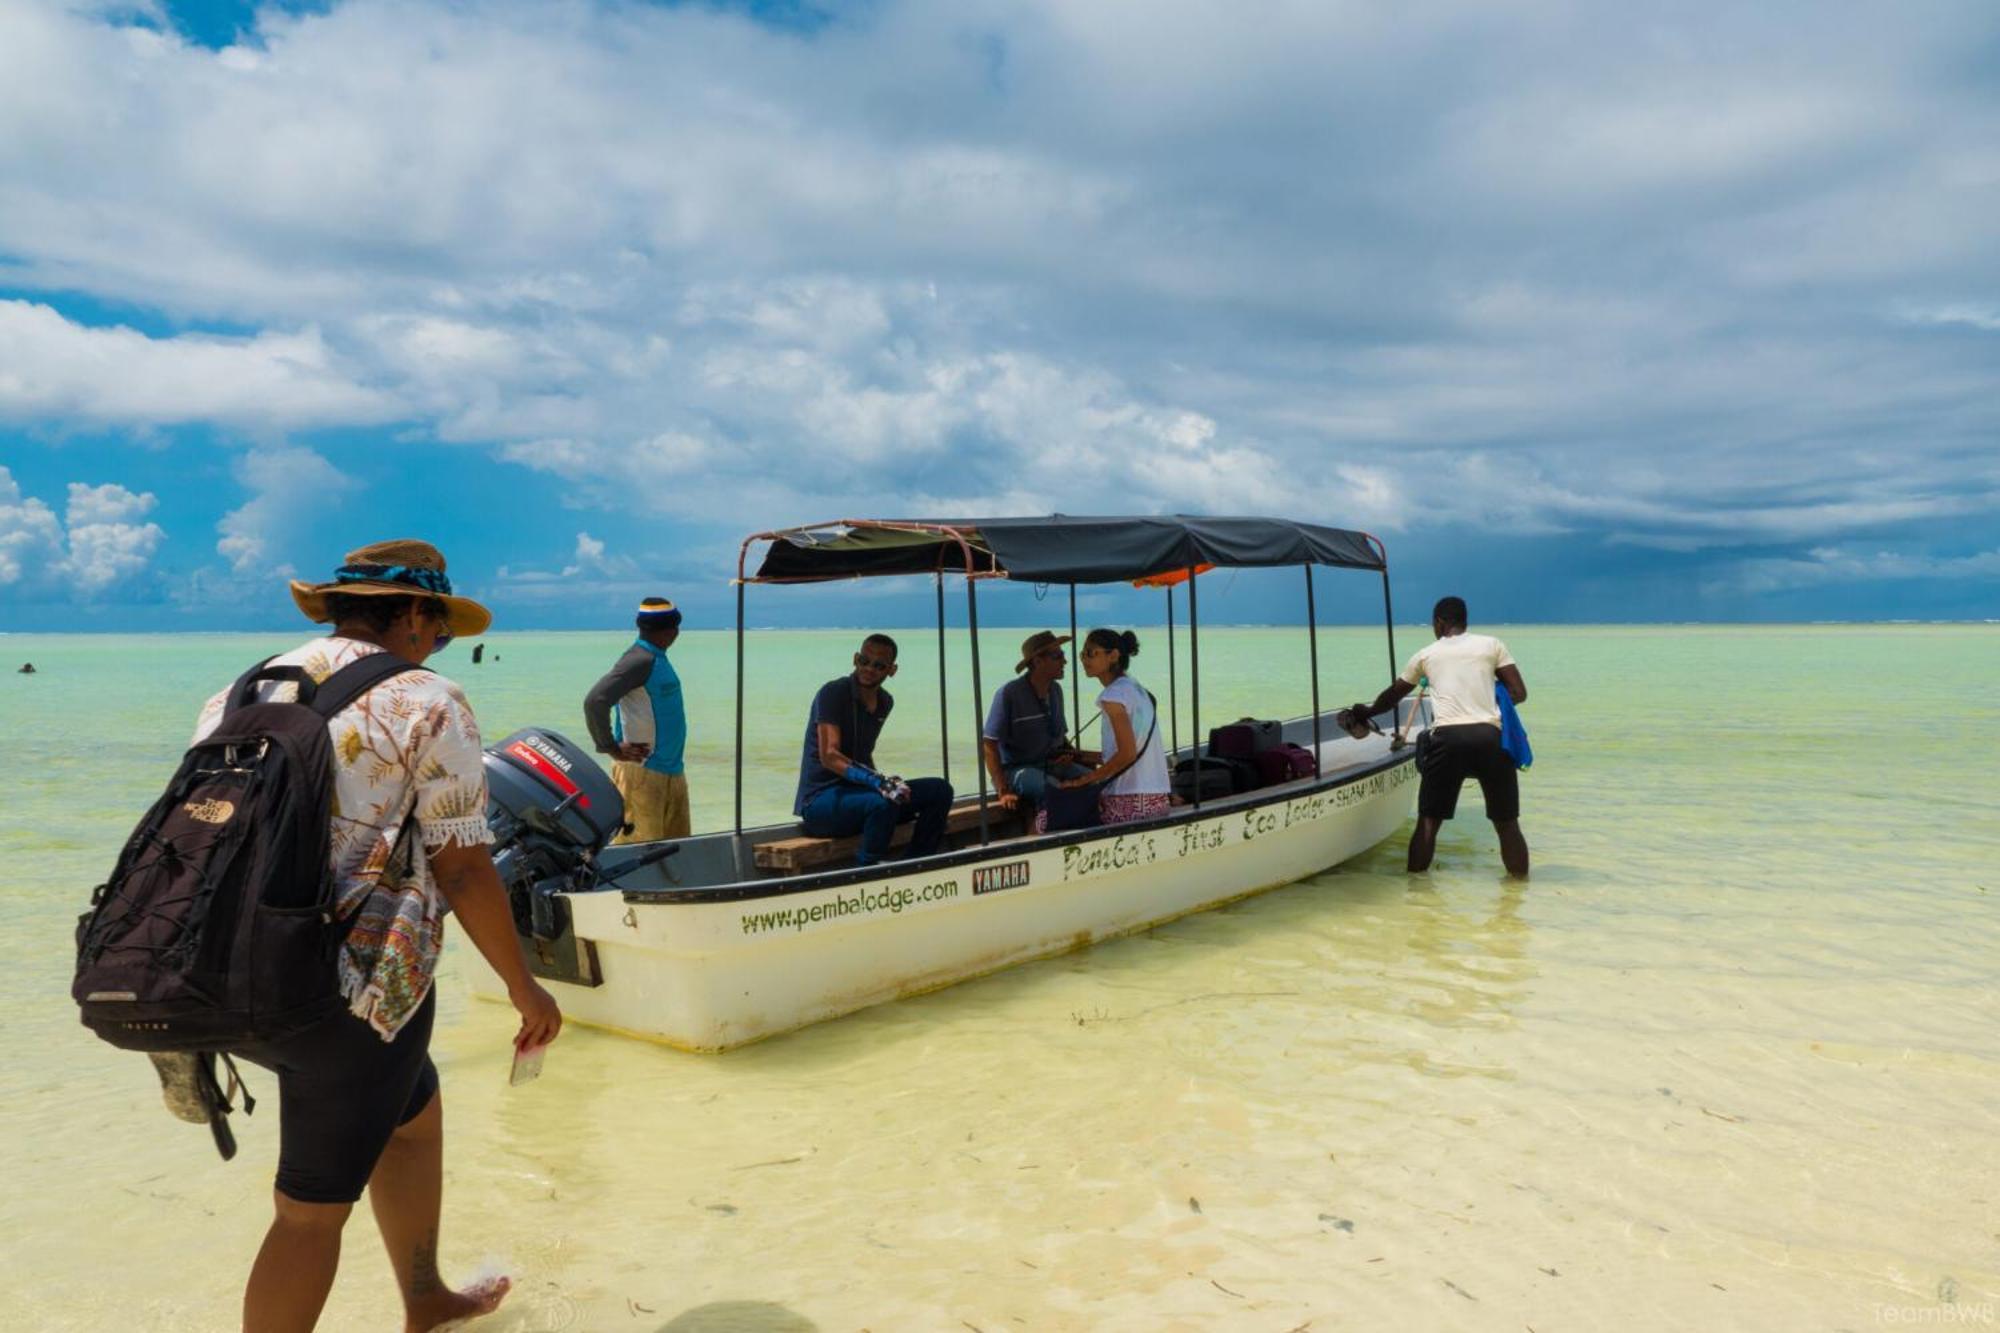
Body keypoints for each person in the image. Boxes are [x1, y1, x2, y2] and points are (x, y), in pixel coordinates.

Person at [183, 539, 562, 1332]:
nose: (440, 644)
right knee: (310, 1211)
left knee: (413, 1110)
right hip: (345, 992)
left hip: (224, 966)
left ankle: (425, 1297)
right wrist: (525, 986)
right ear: (416, 614)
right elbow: (461, 868)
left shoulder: (243, 689)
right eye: (440, 626)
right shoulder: (428, 698)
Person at [1349, 595, 1529, 878]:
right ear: (1464, 621)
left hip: (1448, 740)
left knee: (1429, 822)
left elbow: (1392, 696)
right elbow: (1519, 693)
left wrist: (1366, 711)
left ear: (1439, 622)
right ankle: (1519, 895)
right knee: (1507, 824)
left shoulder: (1427, 654)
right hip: (1490, 738)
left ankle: (1415, 894)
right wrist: (1487, 694)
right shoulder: (1492, 645)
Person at [793, 633, 953, 866]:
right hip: (820, 803)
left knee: (939, 790)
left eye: (879, 666)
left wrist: (886, 782)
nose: (869, 669)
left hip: (857, 794)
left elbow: (863, 755)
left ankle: (916, 862)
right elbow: (829, 756)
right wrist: (878, 782)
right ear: (855, 659)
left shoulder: (885, 702)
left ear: (892, 670)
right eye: (864, 661)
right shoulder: (833, 693)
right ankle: (866, 870)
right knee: (882, 803)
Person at [583, 597, 691, 843]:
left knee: (677, 852)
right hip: (642, 774)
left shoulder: (657, 658)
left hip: (672, 771)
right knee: (639, 851)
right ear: (671, 630)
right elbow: (595, 701)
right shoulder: (639, 659)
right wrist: (610, 747)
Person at [1050, 628, 1171, 827]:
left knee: (1044, 819)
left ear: (1113, 655)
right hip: (1156, 801)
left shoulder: (1113, 696)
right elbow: (1128, 750)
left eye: (1091, 653)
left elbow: (1127, 754)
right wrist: (1082, 756)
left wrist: (1085, 780)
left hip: (1128, 802)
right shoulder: (1136, 689)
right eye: (1082, 654)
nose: (1083, 659)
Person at [981, 630, 1090, 814]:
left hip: (1052, 765)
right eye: (1058, 656)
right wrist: (1003, 790)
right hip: (1017, 770)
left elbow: (1060, 738)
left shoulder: (1056, 691)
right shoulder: (1009, 694)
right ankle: (1044, 830)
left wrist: (1068, 754)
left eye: (1063, 655)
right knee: (1054, 789)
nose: (1065, 661)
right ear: (1038, 661)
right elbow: (989, 745)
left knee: (1096, 779)